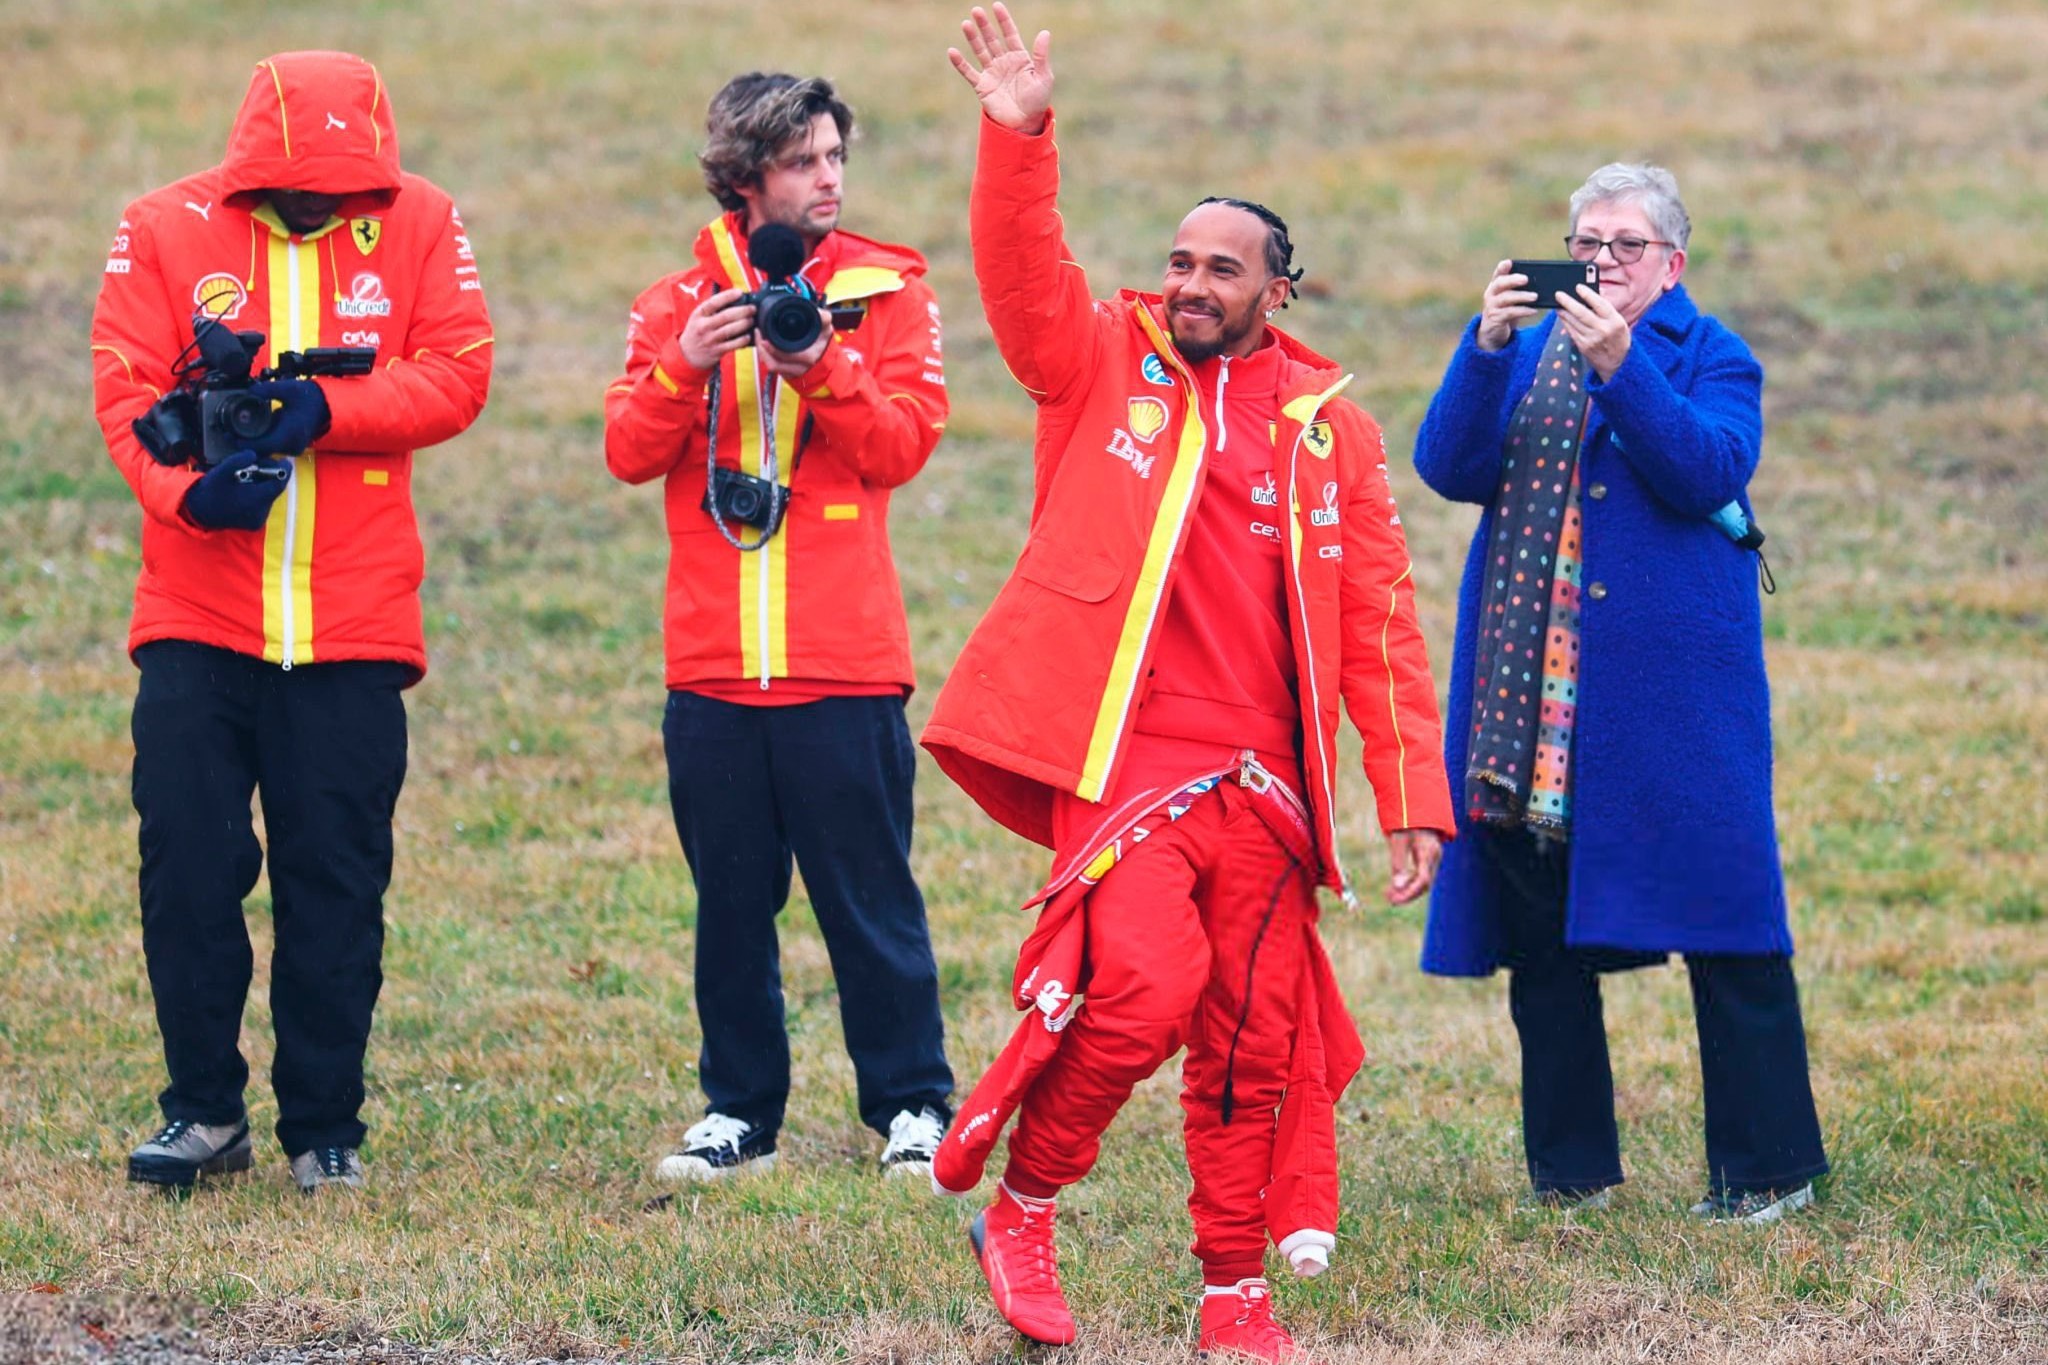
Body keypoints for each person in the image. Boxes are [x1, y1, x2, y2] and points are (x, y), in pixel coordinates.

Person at [925, 7, 1455, 1358]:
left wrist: (1411, 795)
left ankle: (1236, 1293)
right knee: (1144, 994)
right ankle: (1029, 1202)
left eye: (1222, 268)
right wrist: (1018, 132)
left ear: (1281, 291)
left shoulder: (1329, 423)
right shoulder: (1105, 357)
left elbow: (1381, 616)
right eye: (1178, 260)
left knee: (1245, 1042)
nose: (1191, 283)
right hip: (1131, 754)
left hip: (1269, 784)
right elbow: (1020, 272)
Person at [91, 50, 493, 1194]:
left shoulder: (422, 223)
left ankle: (326, 1129)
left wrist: (321, 407)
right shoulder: (161, 229)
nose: (319, 205)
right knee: (187, 872)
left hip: (354, 627)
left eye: (343, 188)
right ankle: (202, 1113)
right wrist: (190, 491)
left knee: (335, 881)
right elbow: (124, 389)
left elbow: (461, 374)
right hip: (195, 614)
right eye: (294, 187)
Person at [1412, 163, 1827, 1224]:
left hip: (1669, 699)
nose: (1598, 261)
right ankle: (1571, 1175)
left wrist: (1622, 366)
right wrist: (1484, 347)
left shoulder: (1710, 353)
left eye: (1624, 246)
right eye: (1583, 241)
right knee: (1538, 939)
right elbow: (1446, 467)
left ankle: (1769, 1168)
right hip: (1526, 690)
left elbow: (1704, 471)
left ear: (1670, 264)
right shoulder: (1529, 347)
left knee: (1727, 918)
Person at [603, 72, 955, 1183]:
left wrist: (822, 362)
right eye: (805, 161)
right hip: (711, 666)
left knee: (869, 900)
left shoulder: (890, 291)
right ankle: (738, 1112)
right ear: (747, 174)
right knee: (728, 909)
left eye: (837, 157)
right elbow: (624, 450)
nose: (830, 179)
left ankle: (910, 1105)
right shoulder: (675, 303)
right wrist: (685, 365)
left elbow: (901, 446)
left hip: (844, 666)